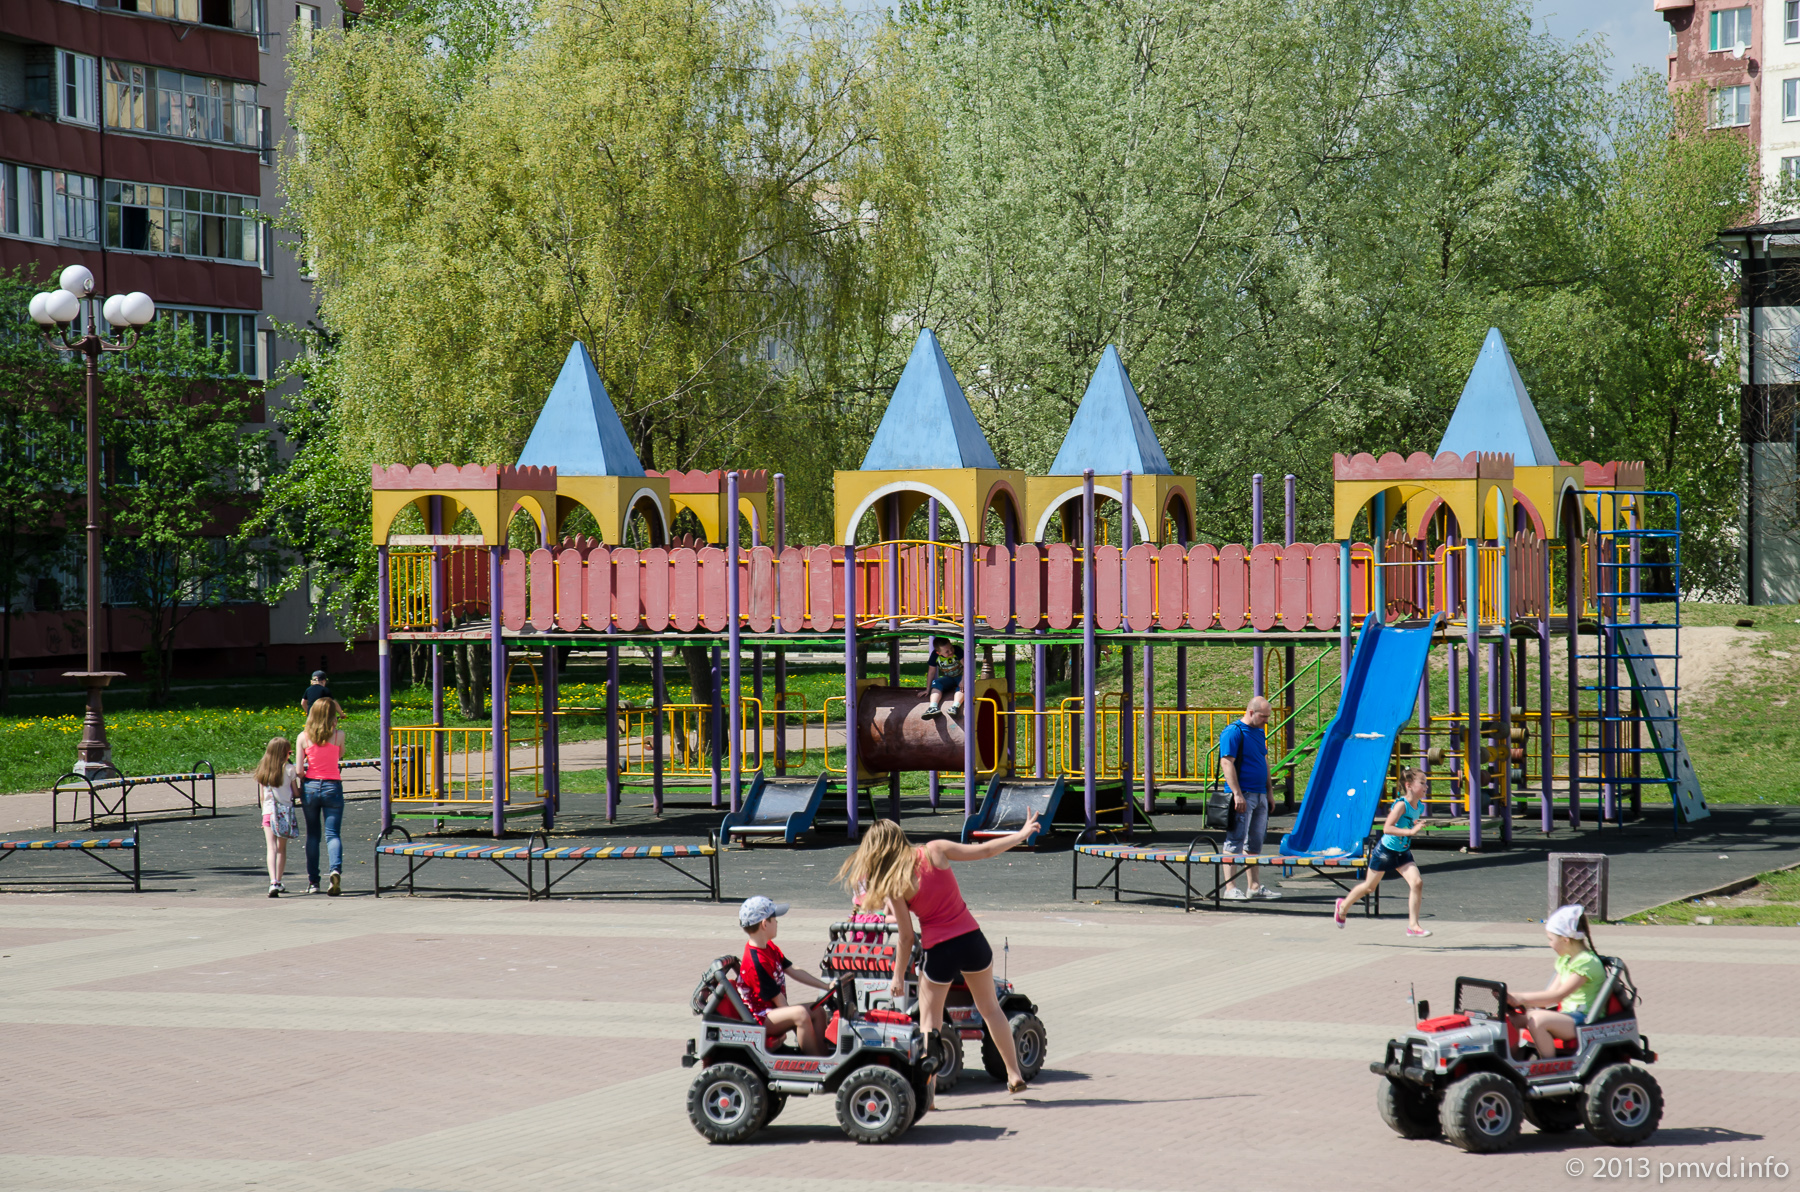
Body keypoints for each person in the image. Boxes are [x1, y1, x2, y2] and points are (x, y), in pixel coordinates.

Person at [837, 812, 1040, 1094]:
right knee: (992, 1010)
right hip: (972, 940)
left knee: (929, 1023)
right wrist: (1021, 833)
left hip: (939, 951)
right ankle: (1014, 1073)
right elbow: (985, 851)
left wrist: (897, 977)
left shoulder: (895, 885)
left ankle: (928, 1096)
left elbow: (906, 937)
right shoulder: (935, 850)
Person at [1333, 766, 1431, 935]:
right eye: (1422, 783)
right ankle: (1342, 906)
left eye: (1426, 783)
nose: (1426, 787)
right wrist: (1410, 832)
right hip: (1386, 852)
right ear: (1408, 785)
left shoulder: (1419, 807)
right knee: (1369, 887)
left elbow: (1406, 822)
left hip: (1403, 852)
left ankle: (1413, 926)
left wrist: (1415, 824)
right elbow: (1387, 828)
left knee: (1417, 883)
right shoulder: (1401, 805)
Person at [735, 896, 833, 1056]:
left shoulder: (769, 947)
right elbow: (780, 1002)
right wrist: (797, 1019)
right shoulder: (755, 961)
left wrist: (826, 986)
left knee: (818, 1010)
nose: (777, 923)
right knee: (800, 1015)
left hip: (773, 1012)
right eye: (774, 919)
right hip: (762, 1018)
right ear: (764, 924)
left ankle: (824, 1058)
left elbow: (793, 969)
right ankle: (814, 1065)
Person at [1508, 904, 1607, 1060]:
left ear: (1565, 939)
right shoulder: (1565, 960)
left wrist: (1521, 997)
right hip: (1567, 1016)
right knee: (1512, 1019)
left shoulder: (1586, 962)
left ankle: (1548, 1065)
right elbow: (1549, 996)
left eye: (1551, 939)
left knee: (1538, 1020)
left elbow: (1558, 996)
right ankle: (1514, 1062)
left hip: (1583, 1018)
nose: (1550, 944)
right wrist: (1521, 1003)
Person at [1219, 696, 1278, 900]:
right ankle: (1230, 888)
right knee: (1235, 840)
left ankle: (1254, 886)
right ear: (1251, 712)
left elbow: (1263, 760)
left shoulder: (1259, 732)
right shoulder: (1234, 731)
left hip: (1259, 793)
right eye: (1263, 716)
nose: (1266, 721)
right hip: (1243, 794)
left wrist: (1269, 791)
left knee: (1254, 842)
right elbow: (1227, 763)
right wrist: (1237, 794)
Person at [296, 697, 347, 896]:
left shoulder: (303, 737)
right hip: (332, 786)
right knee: (333, 834)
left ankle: (313, 882)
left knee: (313, 835)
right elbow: (340, 755)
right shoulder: (338, 735)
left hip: (310, 787)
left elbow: (300, 770)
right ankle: (335, 870)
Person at [254, 737, 300, 897]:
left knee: (270, 848)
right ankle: (279, 881)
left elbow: (261, 798)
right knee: (281, 849)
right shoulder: (289, 769)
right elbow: (295, 793)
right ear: (284, 753)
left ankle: (272, 881)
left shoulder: (262, 770)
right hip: (284, 813)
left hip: (268, 812)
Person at [919, 637, 964, 719]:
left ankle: (955, 707)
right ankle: (933, 707)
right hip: (949, 678)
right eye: (947, 651)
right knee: (937, 683)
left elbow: (966, 666)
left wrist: (964, 680)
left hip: (961, 676)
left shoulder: (957, 650)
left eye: (951, 648)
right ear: (938, 653)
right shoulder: (935, 656)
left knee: (964, 686)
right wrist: (927, 689)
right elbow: (931, 672)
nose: (950, 652)